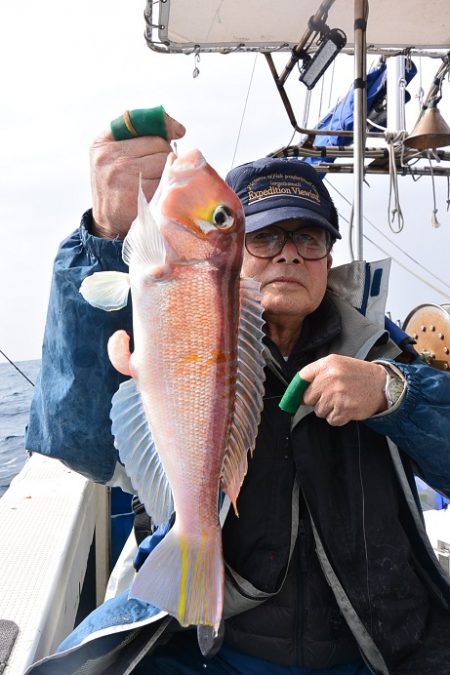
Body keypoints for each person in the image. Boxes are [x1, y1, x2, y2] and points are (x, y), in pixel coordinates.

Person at [25, 109, 450, 675]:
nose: (289, 253)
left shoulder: (386, 351)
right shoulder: (176, 327)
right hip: (217, 646)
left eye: (309, 236)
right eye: (266, 235)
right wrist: (106, 233)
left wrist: (395, 394)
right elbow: (78, 441)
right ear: (235, 253)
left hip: (381, 649)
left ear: (329, 255)